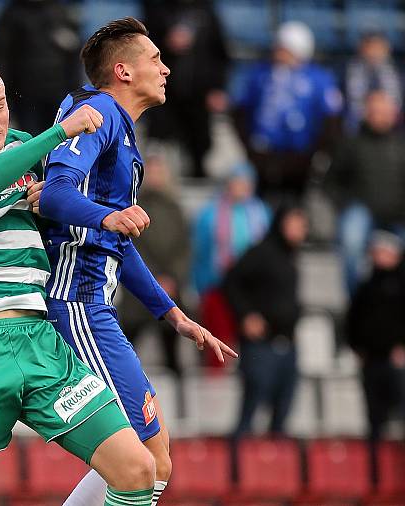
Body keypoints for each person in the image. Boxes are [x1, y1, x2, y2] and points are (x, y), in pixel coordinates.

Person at [0, 61, 162, 506]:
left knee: (138, 469)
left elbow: (68, 198)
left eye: (1, 107)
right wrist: (59, 132)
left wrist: (59, 199)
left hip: (38, 340)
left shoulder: (26, 150)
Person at [37, 18, 237, 506]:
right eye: (155, 60)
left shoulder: (124, 136)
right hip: (76, 302)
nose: (166, 69)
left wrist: (175, 315)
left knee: (151, 460)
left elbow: (119, 243)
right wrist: (110, 217)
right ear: (123, 71)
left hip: (96, 306)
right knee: (149, 458)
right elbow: (55, 195)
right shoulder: (98, 111)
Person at [231, 21, 343, 203]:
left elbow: (332, 118)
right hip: (263, 156)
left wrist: (319, 152)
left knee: (295, 211)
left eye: (285, 48)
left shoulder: (319, 78)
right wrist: (249, 148)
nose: (279, 52)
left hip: (302, 158)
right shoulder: (261, 74)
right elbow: (241, 110)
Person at [223, 204, 308, 438]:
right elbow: (231, 283)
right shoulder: (261, 252)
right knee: (251, 407)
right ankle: (238, 467)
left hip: (287, 343)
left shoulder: (292, 257)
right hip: (261, 344)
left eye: (303, 226)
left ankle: (275, 467)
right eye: (295, 224)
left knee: (282, 412)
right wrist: (246, 315)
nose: (300, 231)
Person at [116, 153, 190, 377]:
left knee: (175, 352)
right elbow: (131, 247)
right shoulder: (132, 206)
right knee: (125, 349)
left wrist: (172, 278)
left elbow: (183, 249)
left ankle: (181, 404)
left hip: (170, 289)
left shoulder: (175, 209)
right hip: (138, 292)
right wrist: (152, 279)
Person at [192, 162, 271, 367]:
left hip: (252, 291)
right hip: (217, 285)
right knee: (219, 343)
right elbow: (200, 253)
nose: (241, 187)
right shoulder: (209, 215)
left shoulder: (261, 213)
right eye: (237, 182)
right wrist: (201, 287)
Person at [325, 90, 405, 294]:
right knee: (352, 239)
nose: (381, 116)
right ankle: (356, 300)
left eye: (385, 111)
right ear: (366, 113)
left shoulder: (401, 145)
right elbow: (331, 182)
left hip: (398, 216)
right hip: (362, 211)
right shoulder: (351, 143)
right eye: (375, 111)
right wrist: (346, 205)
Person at [143, 0, 230, 178]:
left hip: (199, 94)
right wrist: (166, 39)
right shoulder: (155, 8)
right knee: (159, 144)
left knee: (200, 147)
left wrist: (217, 88)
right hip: (164, 92)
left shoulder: (207, 12)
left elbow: (220, 54)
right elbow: (141, 49)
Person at [346, 231, 405, 444]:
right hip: (371, 360)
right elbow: (352, 320)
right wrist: (357, 348)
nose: (379, 256)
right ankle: (376, 472)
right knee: (375, 419)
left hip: (396, 361)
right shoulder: (366, 286)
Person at [0, 0, 81, 135]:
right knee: (31, 141)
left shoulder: (61, 13)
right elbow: (1, 56)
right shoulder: (12, 14)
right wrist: (3, 93)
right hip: (25, 94)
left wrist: (74, 90)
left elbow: (73, 54)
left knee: (57, 142)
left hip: (58, 93)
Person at [344, 31, 402, 134]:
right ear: (361, 49)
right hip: (358, 125)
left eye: (378, 48)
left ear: (386, 49)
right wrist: (371, 114)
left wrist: (383, 115)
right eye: (370, 47)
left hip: (390, 126)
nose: (374, 52)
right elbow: (350, 104)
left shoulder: (395, 72)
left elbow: (396, 103)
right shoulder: (348, 72)